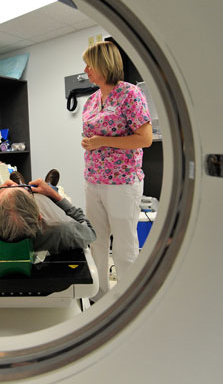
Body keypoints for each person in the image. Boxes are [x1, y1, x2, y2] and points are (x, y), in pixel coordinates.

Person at [81, 40, 152, 300]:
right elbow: (93, 135)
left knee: (124, 245)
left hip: (123, 183)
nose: (86, 69)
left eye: (90, 64)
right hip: (93, 181)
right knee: (96, 241)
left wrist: (102, 141)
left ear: (105, 64)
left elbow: (144, 139)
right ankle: (99, 297)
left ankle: (128, 298)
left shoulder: (129, 94)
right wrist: (90, 143)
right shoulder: (91, 100)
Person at [0, 178, 96, 255]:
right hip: (44, 200)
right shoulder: (64, 232)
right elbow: (89, 230)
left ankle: (19, 181)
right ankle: (51, 186)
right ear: (39, 218)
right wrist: (54, 196)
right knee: (44, 191)